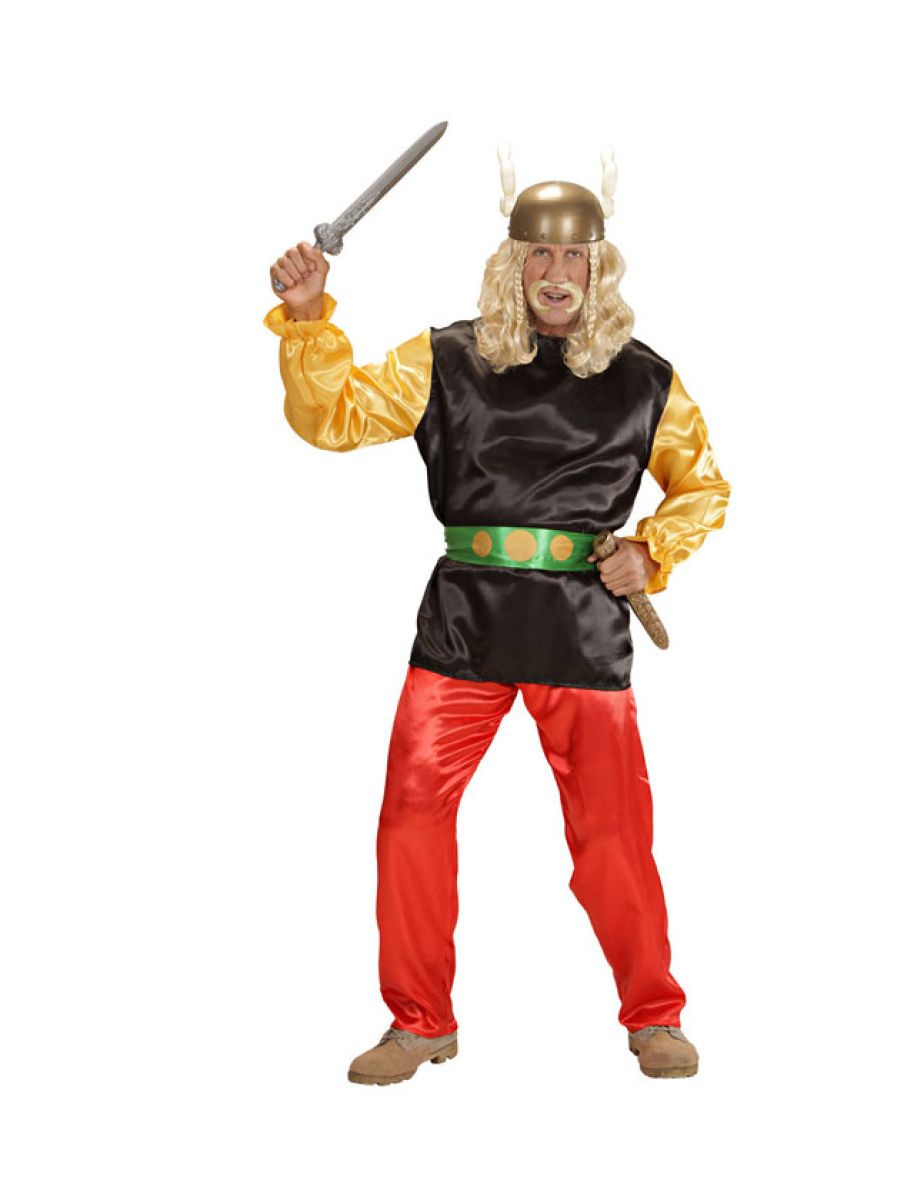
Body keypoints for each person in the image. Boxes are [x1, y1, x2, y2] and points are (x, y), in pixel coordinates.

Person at [264, 161, 729, 1084]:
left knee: (612, 836)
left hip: (580, 626)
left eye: (574, 257)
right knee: (410, 819)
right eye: (539, 255)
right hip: (464, 623)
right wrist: (310, 318)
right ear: (512, 263)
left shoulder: (646, 380)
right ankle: (418, 1022)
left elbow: (703, 486)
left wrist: (653, 552)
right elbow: (335, 417)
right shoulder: (447, 357)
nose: (557, 273)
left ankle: (655, 1014)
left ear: (599, 267)